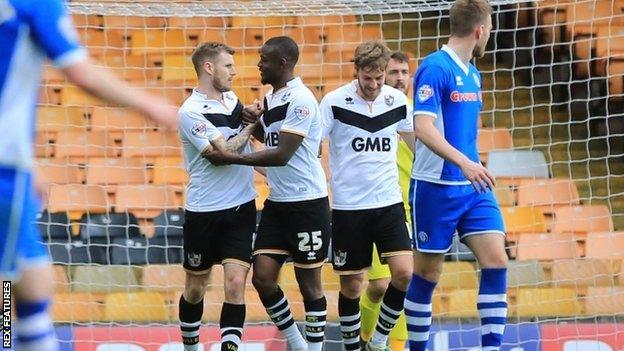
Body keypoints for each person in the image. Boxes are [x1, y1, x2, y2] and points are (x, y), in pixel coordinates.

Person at [0, 1, 177, 350]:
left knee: (31, 282)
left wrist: (28, 163)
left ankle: (8, 337)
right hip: (6, 171)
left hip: (14, 168)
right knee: (24, 282)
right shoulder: (34, 4)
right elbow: (80, 71)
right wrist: (151, 105)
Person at [207, 36, 330, 351]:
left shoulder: (302, 100)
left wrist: (233, 157)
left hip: (307, 203)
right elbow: (271, 136)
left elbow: (282, 154)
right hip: (277, 204)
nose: (258, 64)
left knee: (310, 285)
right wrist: (255, 123)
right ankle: (297, 343)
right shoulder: (272, 97)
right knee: (262, 276)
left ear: (282, 64)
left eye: (263, 59)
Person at [404, 1, 508, 350]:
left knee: (497, 260)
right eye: (490, 28)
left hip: (473, 187)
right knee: (428, 274)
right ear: (480, 30)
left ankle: (491, 347)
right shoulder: (435, 68)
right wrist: (464, 162)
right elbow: (423, 127)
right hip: (435, 188)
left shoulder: (473, 73)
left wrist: (471, 164)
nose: (489, 34)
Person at [319, 41, 414, 351]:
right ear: (356, 72)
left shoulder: (397, 100)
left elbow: (417, 145)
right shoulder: (334, 102)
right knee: (353, 285)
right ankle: (352, 347)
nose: (373, 85)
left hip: (389, 204)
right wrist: (326, 184)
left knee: (403, 274)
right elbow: (314, 145)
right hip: (349, 208)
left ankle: (379, 340)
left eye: (378, 78)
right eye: (366, 79)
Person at [177, 42, 262, 351]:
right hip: (203, 211)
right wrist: (250, 123)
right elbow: (221, 154)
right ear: (209, 68)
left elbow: (248, 134)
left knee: (236, 284)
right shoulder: (190, 111)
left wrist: (249, 115)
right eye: (228, 65)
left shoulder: (231, 100)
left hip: (241, 207)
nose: (235, 71)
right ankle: (191, 347)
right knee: (196, 289)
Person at [359, 50, 413, 351]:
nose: (399, 78)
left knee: (406, 282)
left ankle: (394, 347)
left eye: (404, 72)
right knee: (380, 285)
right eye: (393, 72)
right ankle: (367, 340)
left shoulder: (419, 115)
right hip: (382, 208)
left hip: (415, 207)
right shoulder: (366, 112)